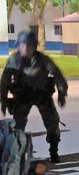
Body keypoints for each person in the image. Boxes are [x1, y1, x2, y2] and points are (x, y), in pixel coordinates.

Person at [0, 29, 67, 163]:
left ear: (34, 46)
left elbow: (58, 75)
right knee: (18, 126)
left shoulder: (43, 60)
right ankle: (17, 154)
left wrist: (61, 93)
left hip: (42, 95)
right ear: (18, 45)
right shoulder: (14, 60)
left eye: (28, 45)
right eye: (22, 45)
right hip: (22, 96)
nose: (24, 48)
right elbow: (5, 81)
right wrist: (3, 99)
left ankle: (54, 150)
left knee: (52, 123)